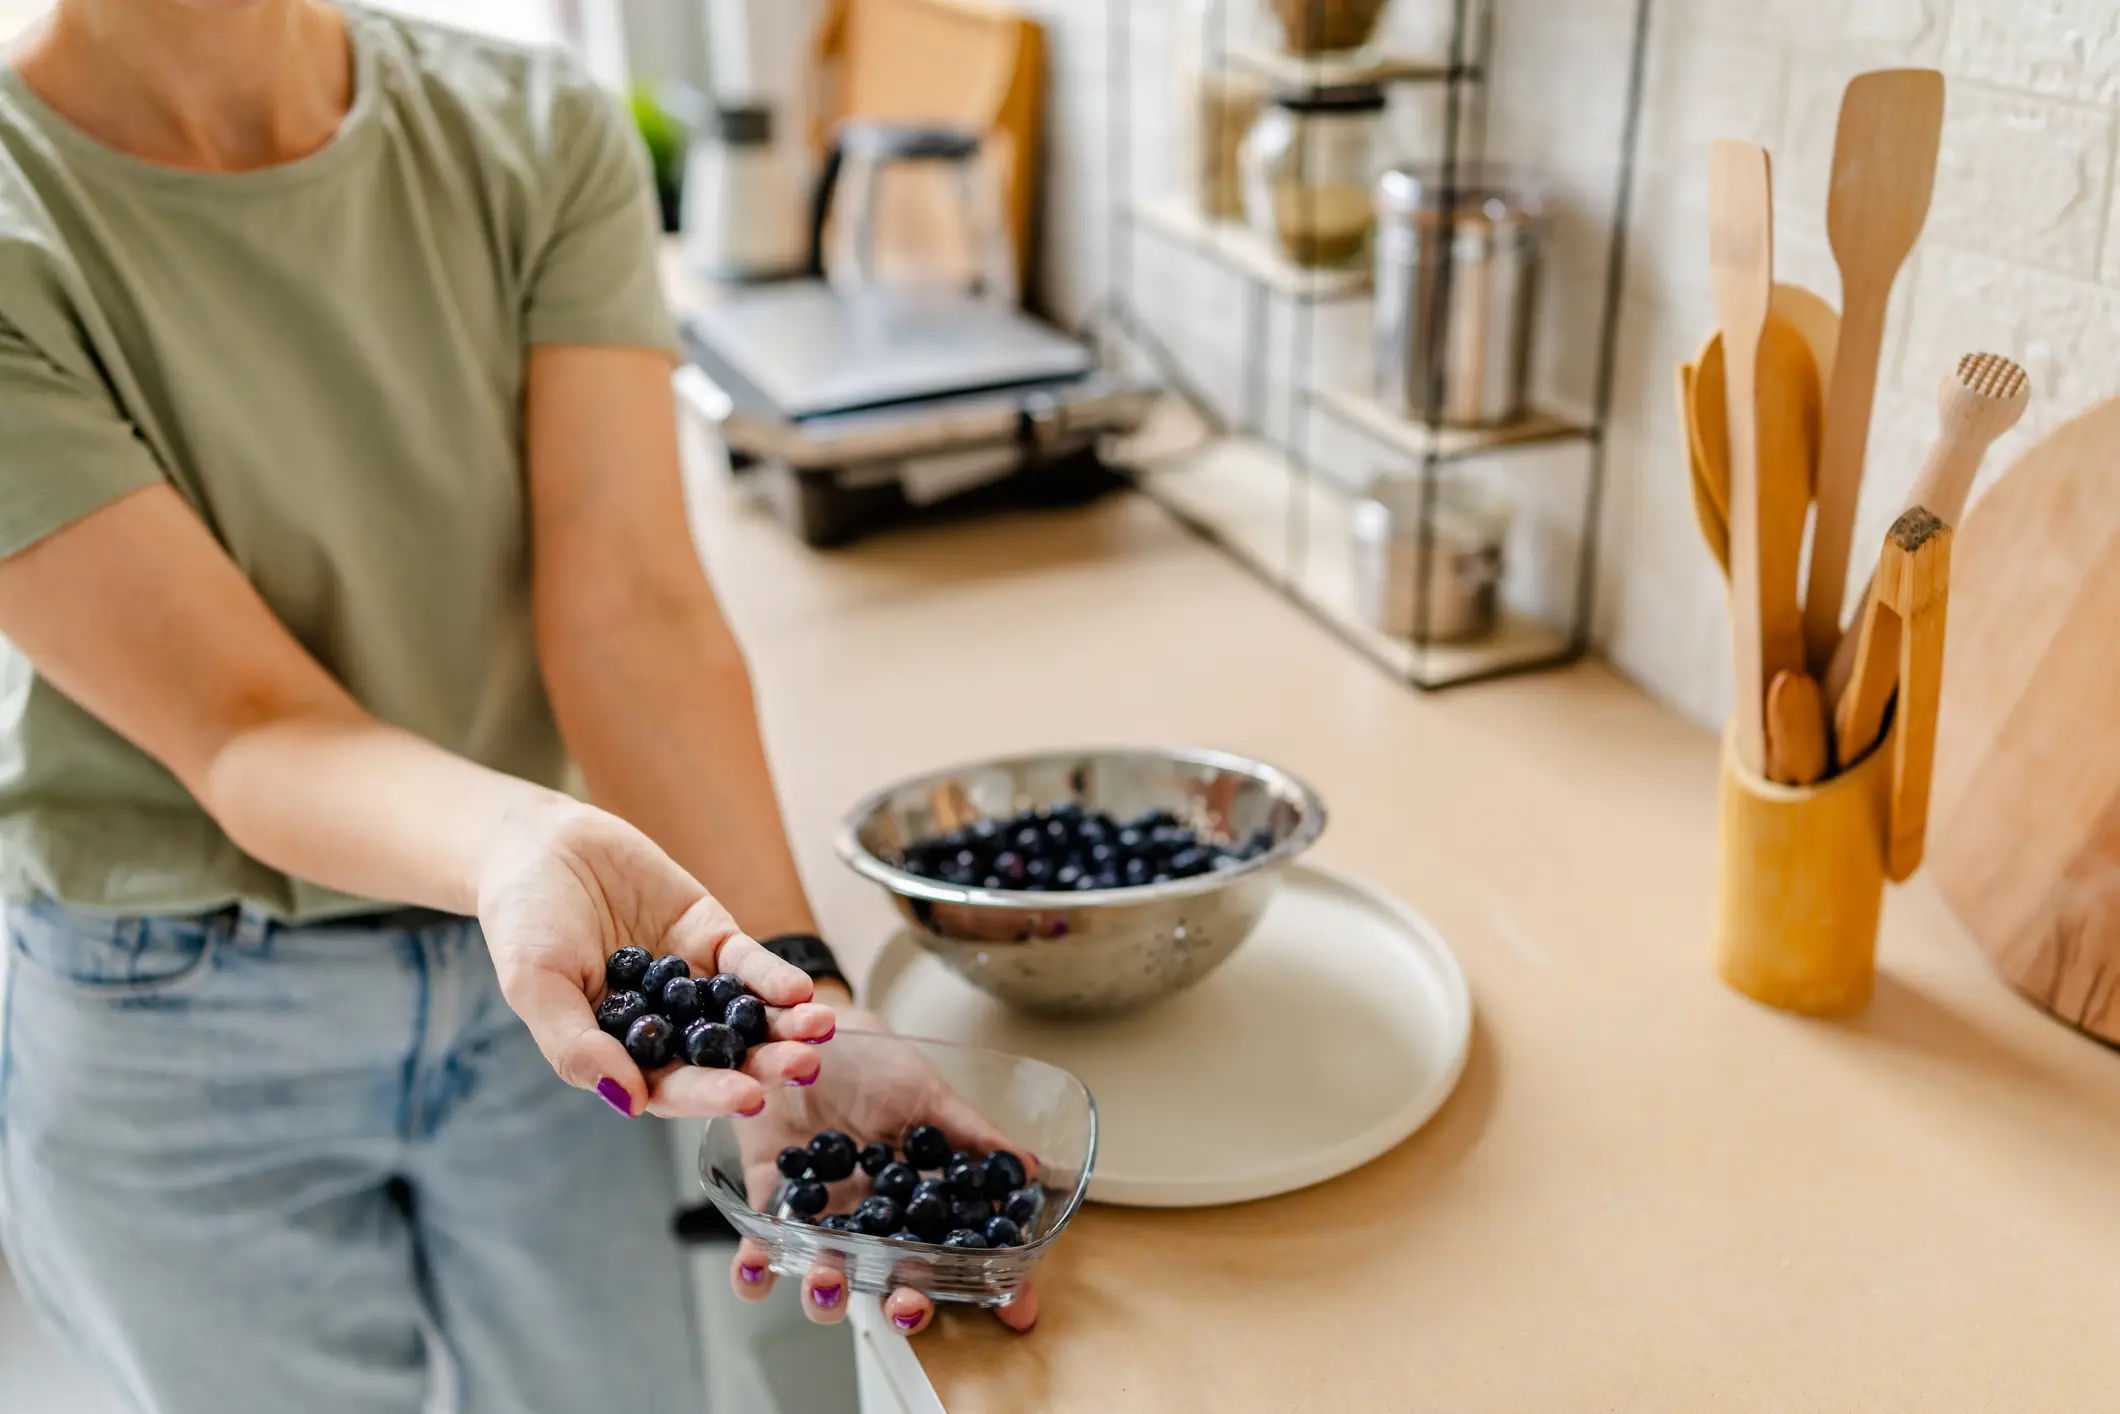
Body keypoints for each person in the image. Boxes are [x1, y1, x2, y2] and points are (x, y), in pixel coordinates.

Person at [0, 3, 1034, 1411]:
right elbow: (246, 724)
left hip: (547, 994)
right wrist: (518, 851)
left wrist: (794, 992)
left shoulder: (536, 130)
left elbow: (632, 617)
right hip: (179, 1017)